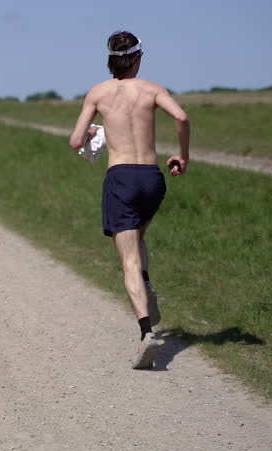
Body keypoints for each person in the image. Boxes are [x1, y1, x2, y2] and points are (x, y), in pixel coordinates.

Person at [69, 30, 191, 369]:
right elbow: (181, 117)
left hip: (121, 178)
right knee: (137, 238)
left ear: (112, 61)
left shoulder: (98, 93)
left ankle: (146, 332)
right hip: (152, 179)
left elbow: (75, 141)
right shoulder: (152, 89)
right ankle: (146, 285)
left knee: (129, 260)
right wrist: (183, 156)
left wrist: (93, 132)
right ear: (137, 59)